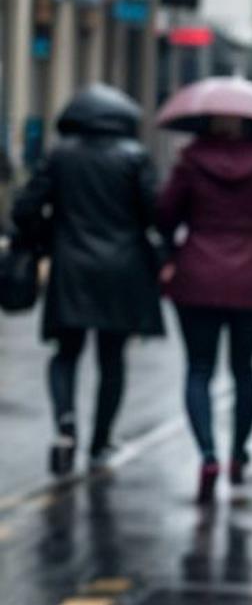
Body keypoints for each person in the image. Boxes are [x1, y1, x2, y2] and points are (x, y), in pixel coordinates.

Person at [11, 85, 164, 475]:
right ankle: (100, 440)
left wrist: (43, 235)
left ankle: (65, 425)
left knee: (65, 353)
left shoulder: (61, 154)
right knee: (111, 359)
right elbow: (153, 214)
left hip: (70, 266)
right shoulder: (134, 157)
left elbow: (26, 207)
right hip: (122, 269)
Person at [157, 113, 252, 501]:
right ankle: (238, 453)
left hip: (197, 272)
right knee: (244, 369)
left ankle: (208, 455)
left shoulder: (191, 158)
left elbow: (165, 214)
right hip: (250, 274)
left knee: (199, 368)